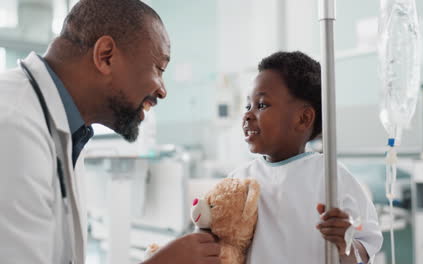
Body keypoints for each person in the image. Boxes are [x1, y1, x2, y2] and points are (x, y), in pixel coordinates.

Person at [0, 0, 220, 263]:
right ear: (106, 56)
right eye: (159, 69)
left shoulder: (67, 129)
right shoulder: (13, 126)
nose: (162, 90)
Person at [230, 51, 383, 263]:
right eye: (248, 106)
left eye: (262, 105)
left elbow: (366, 249)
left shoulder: (331, 177)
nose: (247, 114)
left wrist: (344, 245)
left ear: (303, 118)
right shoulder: (238, 181)